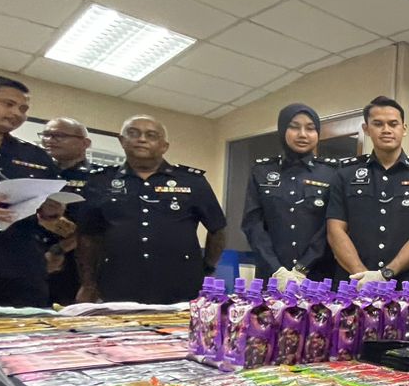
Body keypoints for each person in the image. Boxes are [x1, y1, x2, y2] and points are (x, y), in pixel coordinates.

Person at [77, 116, 227, 303]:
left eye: (151, 135)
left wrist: (208, 269)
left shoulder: (192, 181)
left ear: (164, 146)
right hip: (117, 282)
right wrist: (88, 284)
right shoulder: (100, 181)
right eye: (133, 133)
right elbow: (88, 236)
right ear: (122, 141)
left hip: (181, 283)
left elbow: (217, 228)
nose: (141, 139)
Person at [0, 75, 60, 307]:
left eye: (23, 109)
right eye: (8, 104)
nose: (16, 113)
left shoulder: (36, 155)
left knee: (30, 328)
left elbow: (48, 214)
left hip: (21, 267)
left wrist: (51, 213)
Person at [326, 97, 409, 286]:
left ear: (404, 128)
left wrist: (386, 274)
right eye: (378, 124)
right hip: (353, 282)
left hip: (407, 284)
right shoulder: (345, 173)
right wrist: (362, 275)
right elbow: (335, 230)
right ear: (366, 129)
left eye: (393, 124)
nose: (386, 130)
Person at [242, 103, 340, 284]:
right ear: (282, 130)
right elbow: (253, 224)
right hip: (272, 276)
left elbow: (331, 226)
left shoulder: (332, 172)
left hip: (317, 276)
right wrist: (277, 270)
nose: (302, 134)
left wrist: (302, 268)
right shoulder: (262, 171)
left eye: (310, 128)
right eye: (294, 127)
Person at [36, 117, 108, 305]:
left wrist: (59, 249)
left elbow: (100, 227)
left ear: (85, 143)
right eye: (46, 135)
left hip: (77, 266)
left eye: (59, 136)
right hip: (32, 259)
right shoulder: (38, 173)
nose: (50, 140)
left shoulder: (99, 178)